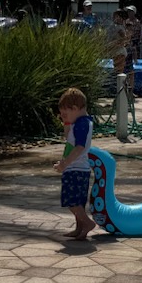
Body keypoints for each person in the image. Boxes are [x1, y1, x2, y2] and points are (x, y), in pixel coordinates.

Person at [54, 87, 95, 242]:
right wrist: (66, 121)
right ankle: (80, 228)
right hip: (79, 168)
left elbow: (79, 147)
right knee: (78, 202)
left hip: (75, 168)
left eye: (66, 114)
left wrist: (65, 164)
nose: (64, 117)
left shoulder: (81, 124)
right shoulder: (80, 122)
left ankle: (88, 223)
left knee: (71, 201)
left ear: (75, 108)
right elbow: (68, 137)